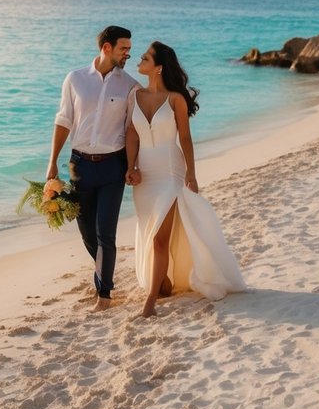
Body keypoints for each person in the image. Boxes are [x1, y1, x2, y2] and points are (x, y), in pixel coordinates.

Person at [126, 41, 245, 317]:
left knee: (159, 238)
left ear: (158, 68)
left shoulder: (176, 100)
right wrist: (131, 167)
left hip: (170, 172)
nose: (139, 60)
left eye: (144, 58)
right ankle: (163, 281)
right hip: (145, 176)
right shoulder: (134, 95)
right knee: (150, 232)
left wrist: (191, 174)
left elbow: (186, 138)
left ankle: (150, 304)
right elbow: (132, 134)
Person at [47, 25, 138, 311]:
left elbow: (133, 129)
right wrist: (52, 163)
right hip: (80, 166)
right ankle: (103, 274)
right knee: (87, 233)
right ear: (106, 47)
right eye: (124, 48)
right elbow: (64, 121)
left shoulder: (130, 85)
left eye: (130, 49)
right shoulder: (75, 79)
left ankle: (105, 295)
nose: (128, 53)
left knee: (105, 233)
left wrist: (134, 165)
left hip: (113, 166)